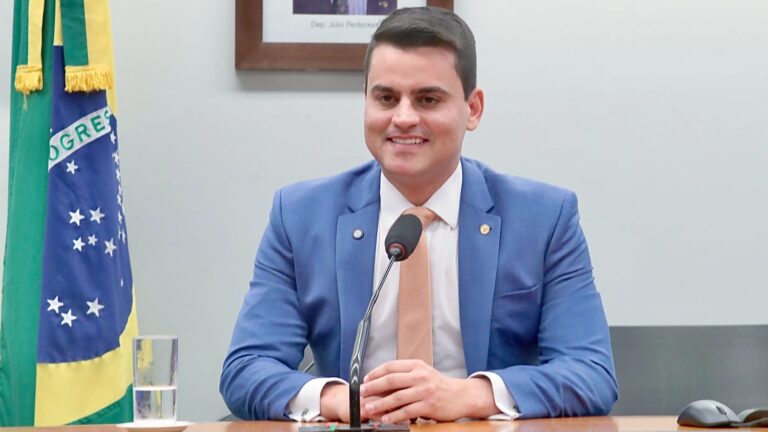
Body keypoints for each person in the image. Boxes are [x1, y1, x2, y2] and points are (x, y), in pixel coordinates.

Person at [221, 6, 618, 424]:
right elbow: (246, 369)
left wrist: (469, 395)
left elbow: (590, 373)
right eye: (386, 98)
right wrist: (344, 401)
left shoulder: (544, 218)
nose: (404, 118)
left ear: (473, 109)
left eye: (428, 99)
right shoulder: (300, 216)